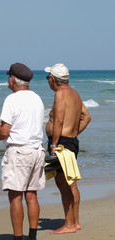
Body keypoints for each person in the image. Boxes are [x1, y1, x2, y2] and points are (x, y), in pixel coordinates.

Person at [0, 63, 45, 240]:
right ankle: (32, 236)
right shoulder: (37, 98)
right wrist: (2, 128)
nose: (7, 80)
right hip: (37, 151)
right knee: (31, 195)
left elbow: (5, 132)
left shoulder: (11, 99)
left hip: (19, 152)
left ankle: (18, 238)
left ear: (13, 79)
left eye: (8, 77)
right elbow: (22, 124)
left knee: (15, 196)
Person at [45, 63, 91, 234]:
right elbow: (86, 117)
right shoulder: (75, 94)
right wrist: (73, 134)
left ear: (54, 80)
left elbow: (58, 121)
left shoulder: (60, 94)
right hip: (69, 142)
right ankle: (75, 222)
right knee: (70, 183)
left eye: (48, 78)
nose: (48, 81)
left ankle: (69, 225)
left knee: (65, 185)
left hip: (61, 144)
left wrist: (54, 145)